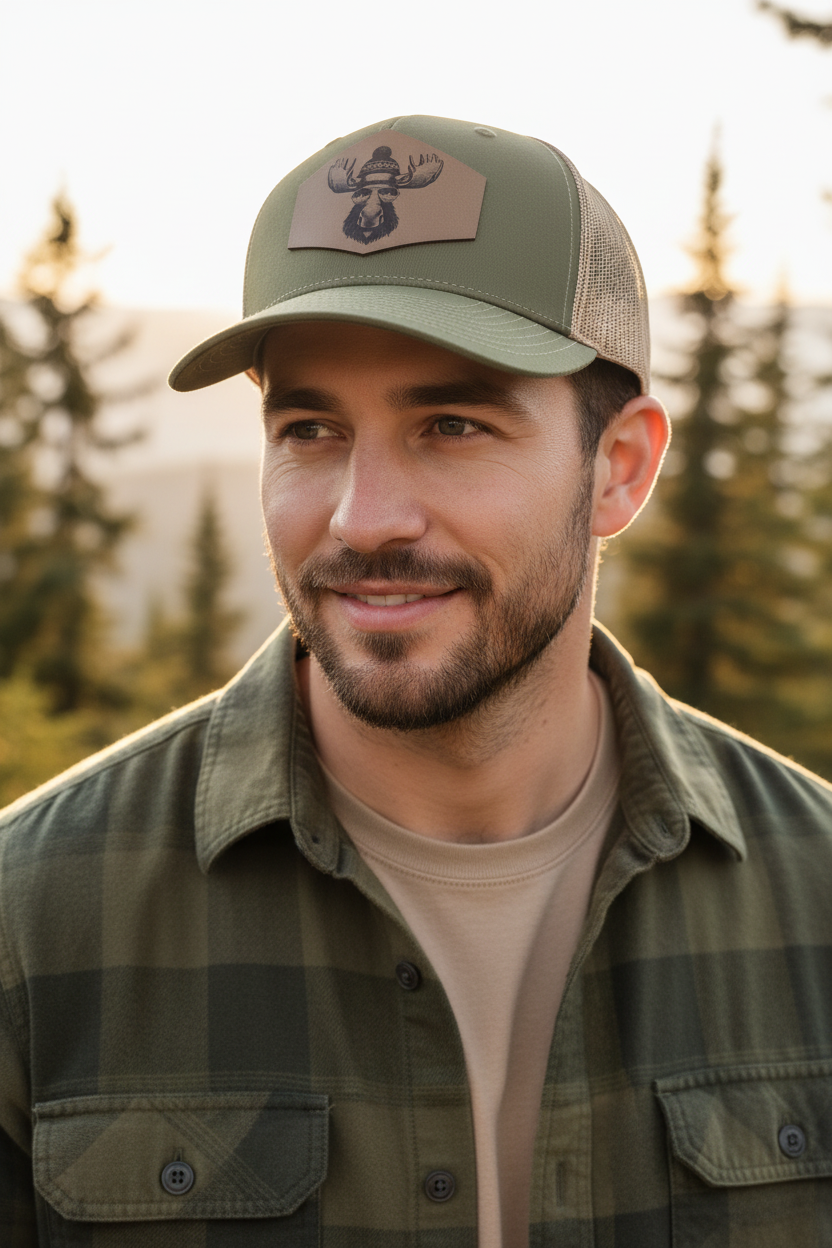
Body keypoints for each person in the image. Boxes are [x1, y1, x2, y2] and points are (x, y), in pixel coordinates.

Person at [1, 115, 831, 1248]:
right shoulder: (33, 930)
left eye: (451, 424)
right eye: (310, 428)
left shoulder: (814, 897)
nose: (362, 517)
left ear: (618, 471)